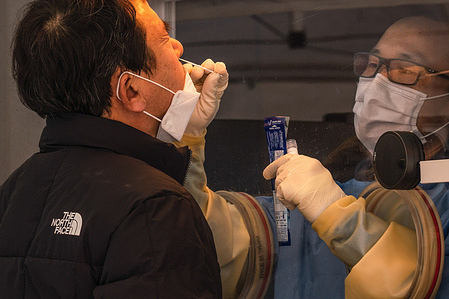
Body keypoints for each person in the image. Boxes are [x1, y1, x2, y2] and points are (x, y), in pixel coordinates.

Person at [0, 0, 226, 297]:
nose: (178, 49)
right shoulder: (155, 208)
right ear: (131, 90)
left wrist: (185, 136)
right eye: (163, 38)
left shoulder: (13, 191)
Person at [262, 15, 449, 298]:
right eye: (372, 65)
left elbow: (425, 283)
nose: (376, 84)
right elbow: (239, 243)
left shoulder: (442, 207)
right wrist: (184, 148)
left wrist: (339, 219)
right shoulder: (333, 182)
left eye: (404, 69)